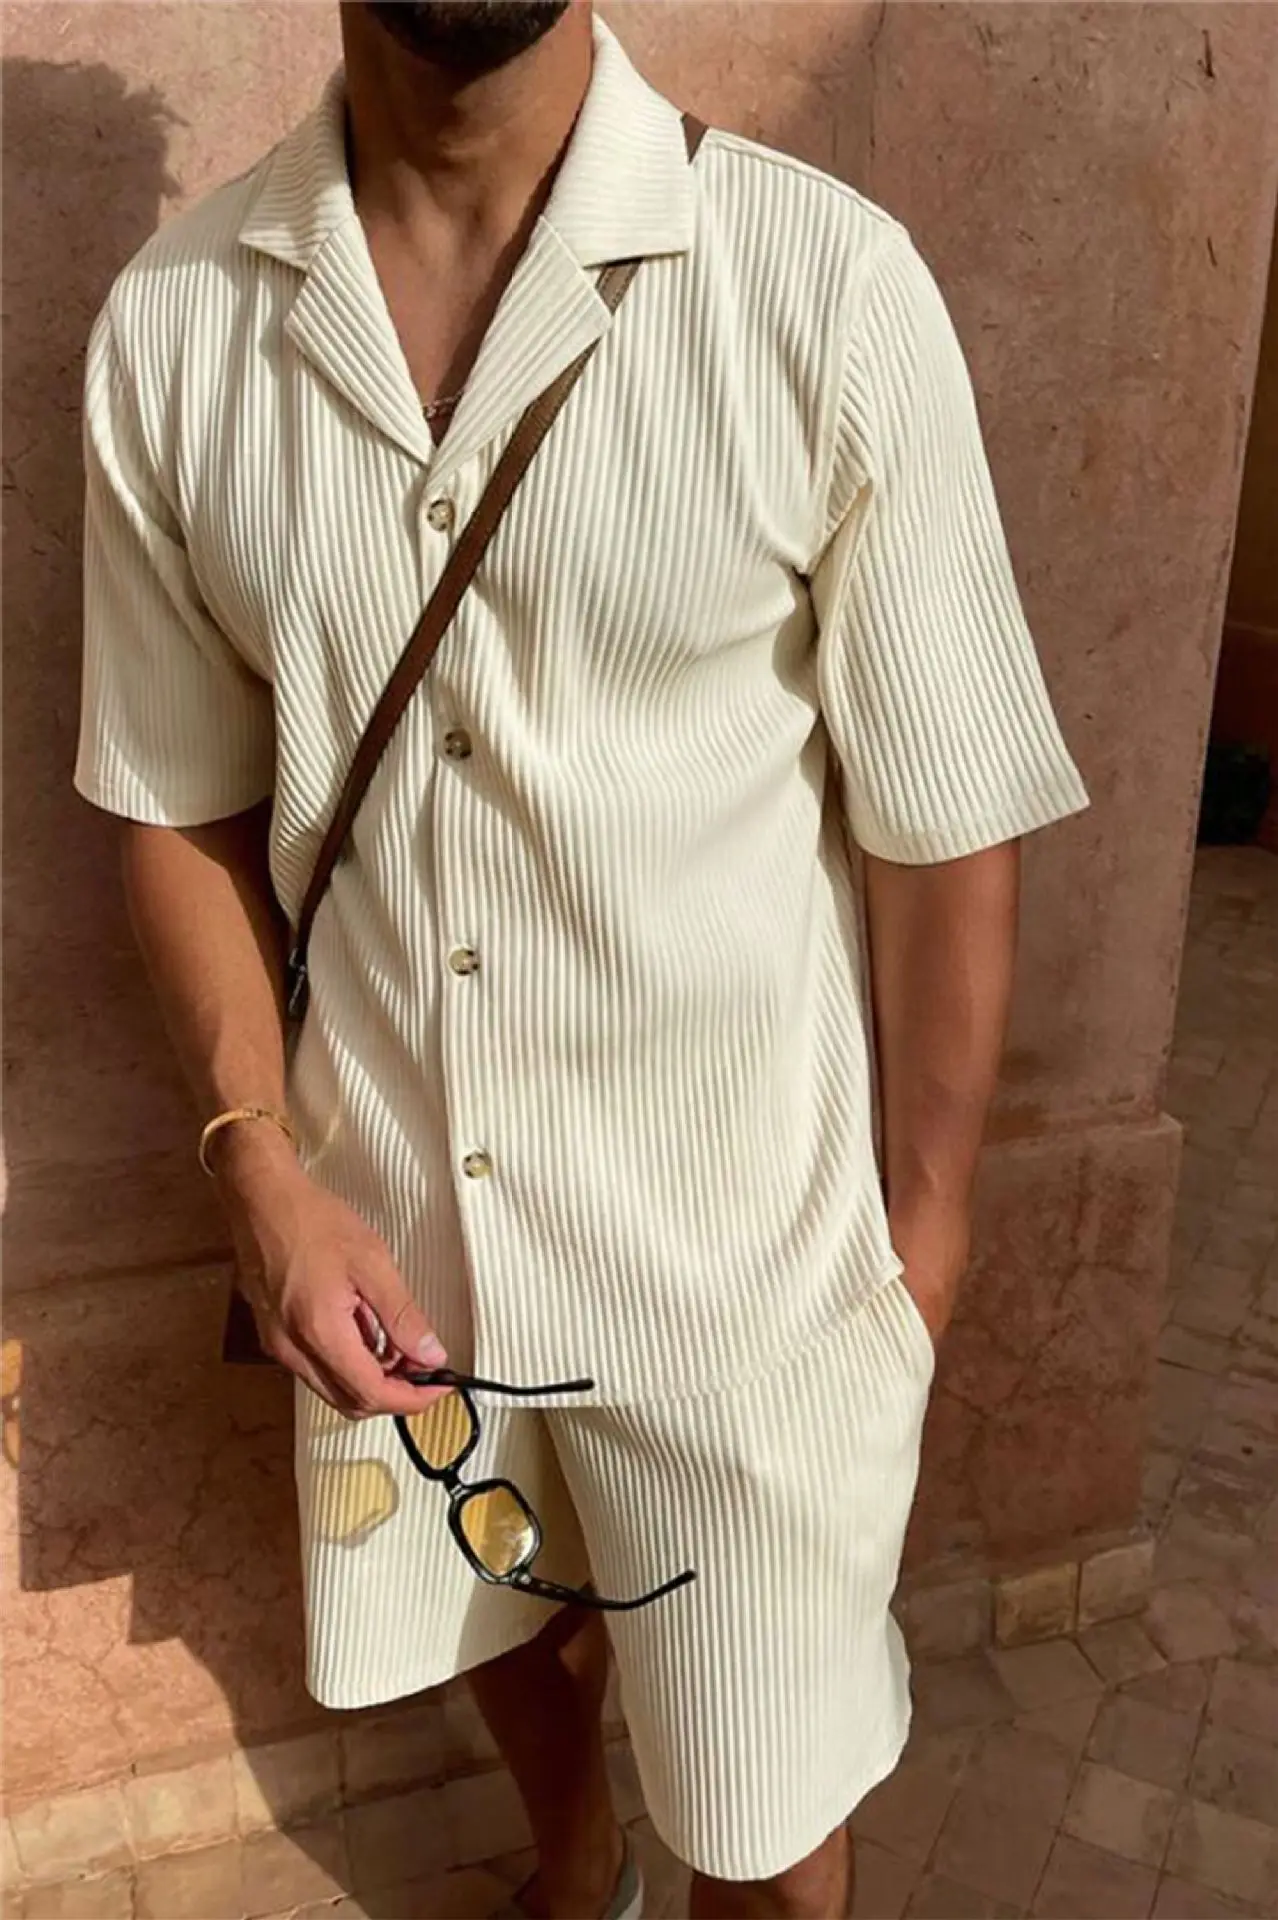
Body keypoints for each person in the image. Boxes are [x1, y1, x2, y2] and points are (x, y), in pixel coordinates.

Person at [75, 3, 1090, 1915]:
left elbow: (945, 807)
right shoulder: (178, 327)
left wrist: (925, 1245)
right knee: (492, 1615)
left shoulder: (818, 283)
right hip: (387, 1233)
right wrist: (257, 1168)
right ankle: (574, 1864)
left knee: (766, 1822)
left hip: (745, 1263)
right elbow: (169, 795)